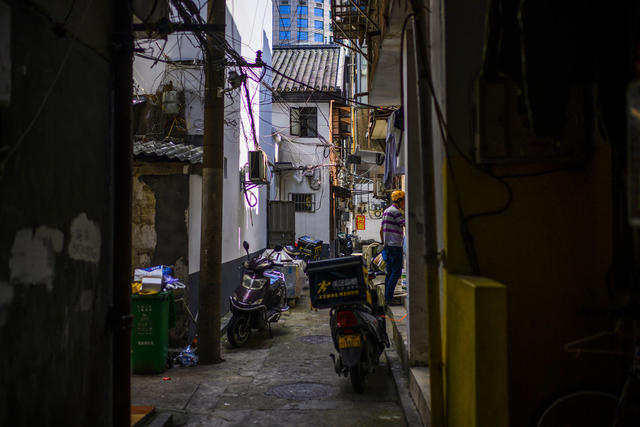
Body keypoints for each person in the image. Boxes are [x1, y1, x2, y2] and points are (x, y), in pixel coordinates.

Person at [379, 190, 406, 304]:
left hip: (387, 246)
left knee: (389, 273)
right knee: (396, 272)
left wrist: (383, 243)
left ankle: (387, 297)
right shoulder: (396, 212)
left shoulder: (386, 211)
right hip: (395, 246)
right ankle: (389, 298)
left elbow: (381, 230)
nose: (405, 203)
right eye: (404, 201)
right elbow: (405, 224)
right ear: (399, 201)